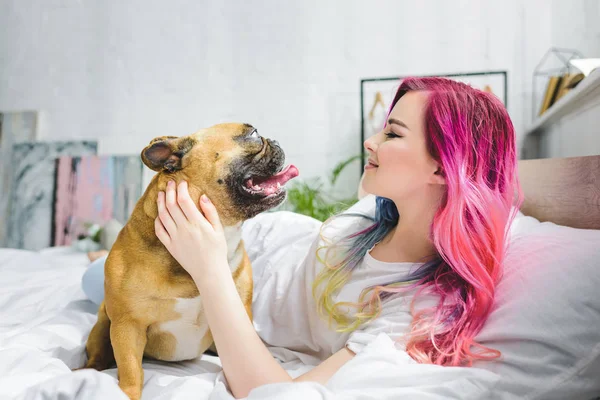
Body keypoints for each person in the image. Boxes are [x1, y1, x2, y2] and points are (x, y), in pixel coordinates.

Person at [81, 76, 523, 399]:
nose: (370, 141)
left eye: (392, 133)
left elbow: (272, 393)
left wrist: (210, 267)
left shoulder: (418, 308)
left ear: (444, 168)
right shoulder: (373, 212)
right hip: (262, 240)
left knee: (97, 280)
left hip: (225, 269)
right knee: (96, 278)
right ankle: (97, 255)